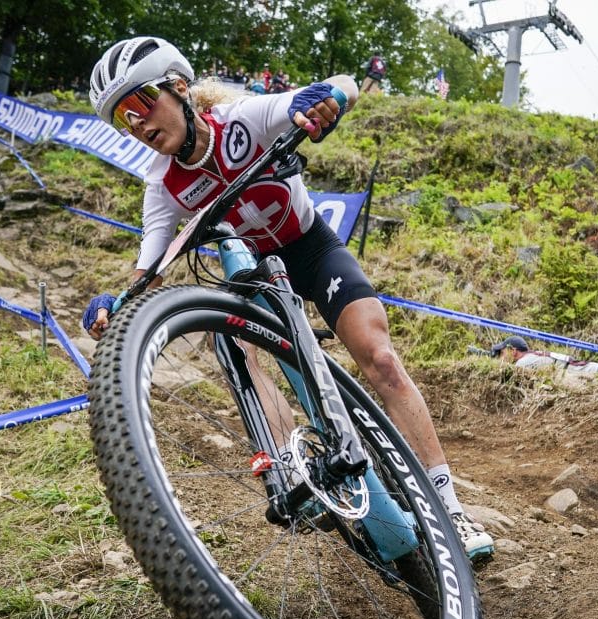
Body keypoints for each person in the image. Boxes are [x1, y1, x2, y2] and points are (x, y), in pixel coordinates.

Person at [81, 36, 494, 563]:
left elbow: (342, 85)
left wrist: (323, 102)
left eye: (139, 105)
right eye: (122, 120)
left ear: (179, 87)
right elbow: (151, 265)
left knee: (381, 358)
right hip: (254, 272)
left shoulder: (243, 119)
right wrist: (115, 301)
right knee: (233, 344)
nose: (136, 125)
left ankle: (449, 506)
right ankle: (290, 465)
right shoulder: (162, 185)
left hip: (309, 250)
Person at [489, 336, 598, 374]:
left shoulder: (523, 363)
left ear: (513, 351)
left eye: (502, 352)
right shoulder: (533, 356)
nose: (501, 357)